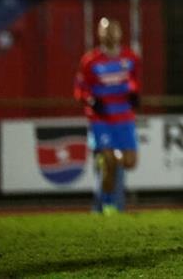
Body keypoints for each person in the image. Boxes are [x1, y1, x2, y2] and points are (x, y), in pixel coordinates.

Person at [74, 18, 140, 215]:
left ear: (120, 33)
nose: (110, 33)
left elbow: (134, 81)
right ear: (99, 34)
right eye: (106, 30)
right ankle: (107, 204)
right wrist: (91, 100)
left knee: (129, 162)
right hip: (101, 119)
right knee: (110, 159)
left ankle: (106, 169)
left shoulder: (130, 58)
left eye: (114, 30)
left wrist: (134, 93)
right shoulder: (90, 61)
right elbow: (80, 89)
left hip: (124, 118)